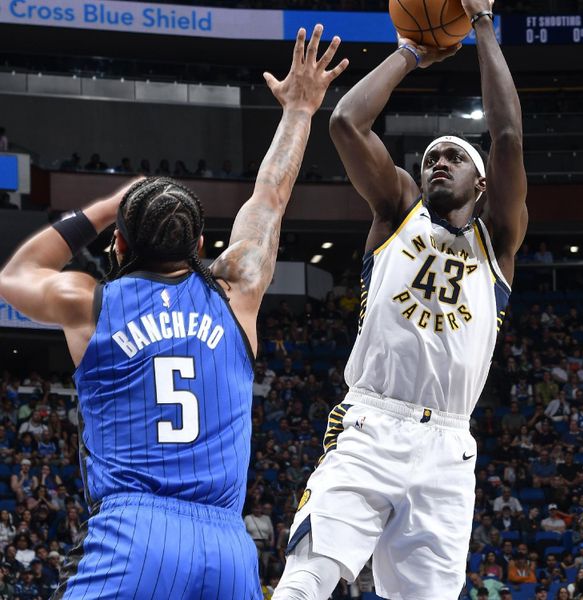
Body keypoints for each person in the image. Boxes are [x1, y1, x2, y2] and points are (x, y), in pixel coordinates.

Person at [0, 25, 347, 599]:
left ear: (119, 246)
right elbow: (271, 196)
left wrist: (109, 205)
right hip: (228, 547)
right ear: (201, 246)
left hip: (134, 535)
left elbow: (14, 276)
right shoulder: (236, 293)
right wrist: (300, 110)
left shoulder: (92, 303)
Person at [275, 3, 527, 599]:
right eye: (432, 157)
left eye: (455, 157)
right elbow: (345, 124)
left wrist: (483, 24)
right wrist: (412, 52)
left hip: (448, 447)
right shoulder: (398, 212)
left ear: (481, 183)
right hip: (371, 423)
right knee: (307, 577)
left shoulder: (500, 242)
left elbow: (508, 134)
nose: (439, 162)